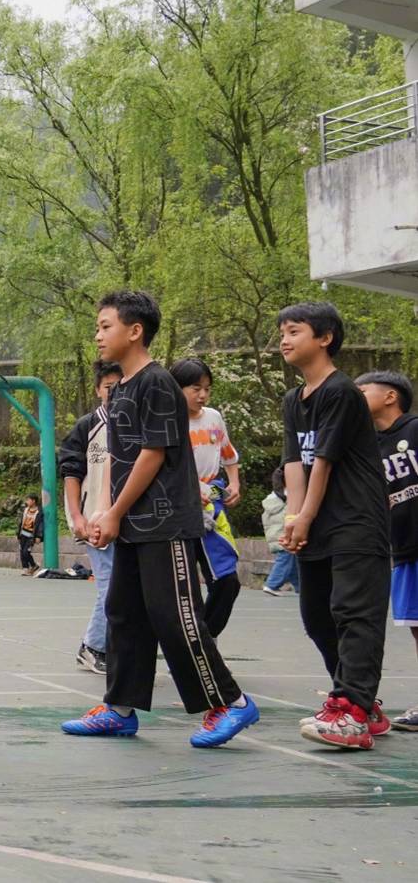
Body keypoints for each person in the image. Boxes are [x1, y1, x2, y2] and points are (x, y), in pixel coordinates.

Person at [60, 291, 258, 748]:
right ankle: (120, 708)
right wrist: (102, 512)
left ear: (134, 331)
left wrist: (117, 510)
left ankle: (230, 702)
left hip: (164, 523)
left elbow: (153, 455)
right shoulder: (123, 387)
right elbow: (114, 455)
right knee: (123, 613)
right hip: (129, 524)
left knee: (175, 616)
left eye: (105, 325)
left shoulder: (158, 383)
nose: (97, 334)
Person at [273, 303, 392, 750]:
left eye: (294, 331)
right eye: (282, 333)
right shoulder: (293, 400)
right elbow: (294, 463)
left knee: (353, 614)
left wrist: (305, 516)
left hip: (356, 522)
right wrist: (294, 519)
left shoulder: (341, 391)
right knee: (317, 616)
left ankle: (352, 712)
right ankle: (362, 703)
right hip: (317, 526)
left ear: (324, 338)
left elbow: (323, 460)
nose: (284, 340)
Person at [356, 371, 418, 732]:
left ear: (390, 396)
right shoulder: (369, 445)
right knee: (415, 627)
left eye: (362, 391)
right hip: (404, 548)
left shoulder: (414, 429)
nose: (355, 396)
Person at [170, 358, 244, 638]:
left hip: (213, 509)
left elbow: (229, 455)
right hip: (180, 511)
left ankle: (205, 638)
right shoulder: (167, 421)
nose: (202, 395)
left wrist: (234, 483)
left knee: (227, 580)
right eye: (195, 388)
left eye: (207, 389)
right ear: (176, 389)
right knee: (184, 588)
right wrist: (188, 490)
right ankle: (191, 647)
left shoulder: (213, 417)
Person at [59, 360, 122, 674]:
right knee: (109, 585)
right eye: (109, 387)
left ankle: (116, 647)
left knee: (126, 588)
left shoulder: (135, 422)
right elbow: (71, 473)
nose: (114, 392)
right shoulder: (87, 426)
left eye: (120, 386)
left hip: (127, 520)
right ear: (98, 389)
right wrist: (77, 517)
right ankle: (92, 646)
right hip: (94, 520)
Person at [261, 466, 300, 596]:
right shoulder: (289, 497)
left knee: (293, 562)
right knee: (285, 560)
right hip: (284, 536)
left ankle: (300, 586)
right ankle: (272, 584)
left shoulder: (273, 498)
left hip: (275, 535)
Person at [16, 495, 44, 575]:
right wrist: (18, 534)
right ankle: (25, 568)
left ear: (33, 501)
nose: (26, 502)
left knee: (26, 552)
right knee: (21, 551)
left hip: (31, 536)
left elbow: (40, 525)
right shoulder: (25, 510)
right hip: (23, 534)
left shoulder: (39, 512)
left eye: (28, 500)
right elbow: (21, 522)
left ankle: (33, 565)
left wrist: (39, 536)